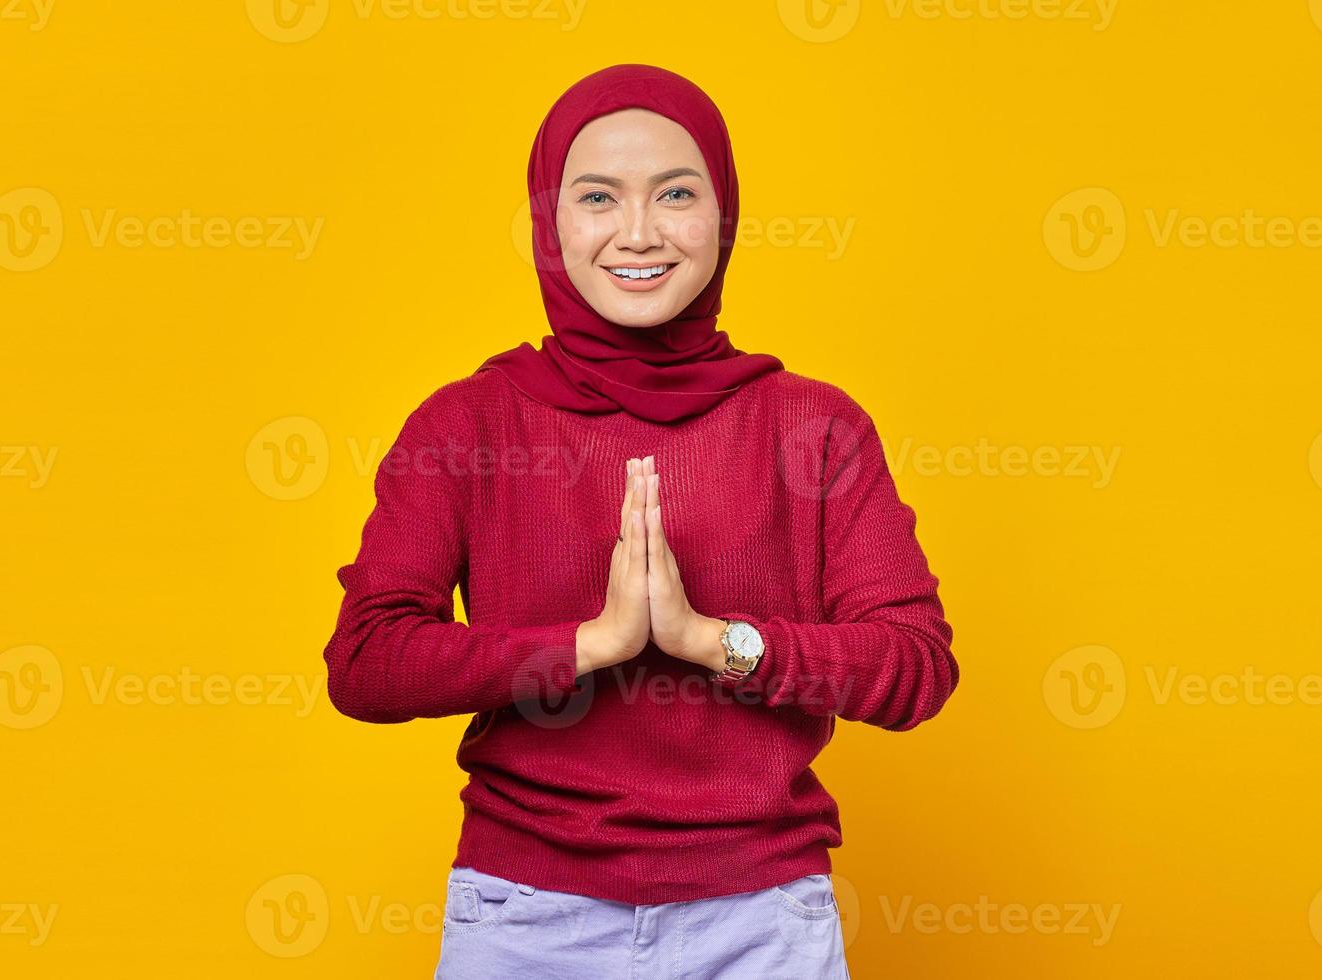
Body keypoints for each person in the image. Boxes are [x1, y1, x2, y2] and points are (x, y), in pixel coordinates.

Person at [322, 62, 959, 980]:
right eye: (596, 197)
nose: (638, 232)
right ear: (550, 222)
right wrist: (588, 645)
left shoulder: (813, 427)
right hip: (526, 920)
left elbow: (917, 667)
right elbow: (368, 663)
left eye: (675, 193)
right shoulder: (469, 424)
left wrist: (714, 642)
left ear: (723, 213)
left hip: (760, 921)